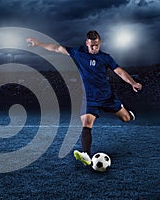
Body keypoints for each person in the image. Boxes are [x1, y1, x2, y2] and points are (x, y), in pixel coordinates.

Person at [26, 30, 142, 166]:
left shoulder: (105, 57)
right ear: (86, 43)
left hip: (107, 96)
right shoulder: (78, 53)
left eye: (97, 45)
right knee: (87, 123)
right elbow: (57, 48)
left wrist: (132, 83)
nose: (94, 48)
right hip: (89, 97)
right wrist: (39, 44)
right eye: (92, 45)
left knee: (126, 118)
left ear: (100, 43)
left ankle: (129, 114)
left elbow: (120, 72)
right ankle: (86, 154)